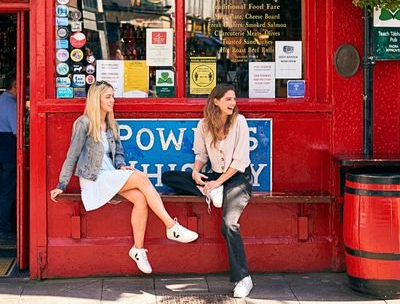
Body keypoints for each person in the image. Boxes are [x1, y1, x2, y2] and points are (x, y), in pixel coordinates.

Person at [50, 81, 198, 274]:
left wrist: (120, 165)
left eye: (113, 96)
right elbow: (72, 155)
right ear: (96, 99)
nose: (113, 100)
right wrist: (62, 184)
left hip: (109, 172)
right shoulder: (84, 123)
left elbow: (118, 152)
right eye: (108, 97)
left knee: (140, 198)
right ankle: (171, 226)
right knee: (141, 178)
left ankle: (138, 250)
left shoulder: (111, 124)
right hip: (94, 178)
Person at [162, 84, 253, 298]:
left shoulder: (240, 122)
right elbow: (201, 155)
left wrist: (217, 182)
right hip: (214, 179)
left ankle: (243, 278)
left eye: (234, 99)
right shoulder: (203, 125)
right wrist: (195, 173)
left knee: (229, 224)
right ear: (216, 102)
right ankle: (208, 192)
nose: (233, 103)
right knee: (169, 177)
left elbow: (240, 161)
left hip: (237, 178)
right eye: (228, 99)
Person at [0, 74, 17, 242]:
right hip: (8, 154)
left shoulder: (1, 99)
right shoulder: (11, 104)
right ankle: (4, 229)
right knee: (7, 192)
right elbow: (17, 132)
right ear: (15, 85)